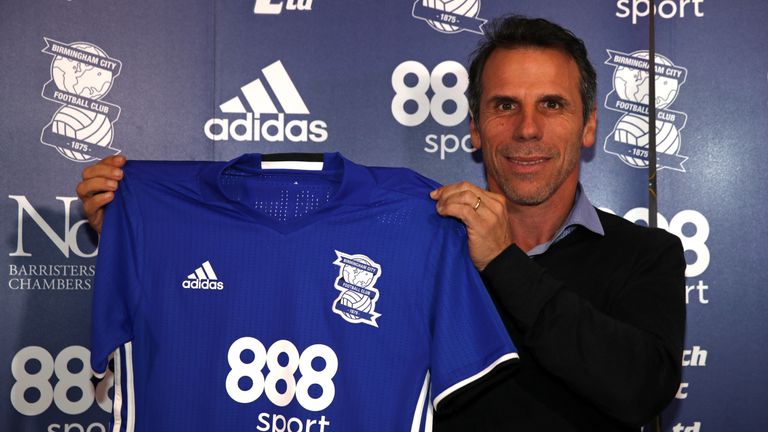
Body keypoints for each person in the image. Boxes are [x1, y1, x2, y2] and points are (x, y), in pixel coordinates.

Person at [77, 15, 685, 431]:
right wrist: (148, 245)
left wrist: (503, 263)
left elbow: (640, 388)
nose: (527, 129)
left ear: (588, 126)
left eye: (552, 105)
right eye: (505, 106)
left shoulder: (647, 254)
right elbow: (272, 288)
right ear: (474, 128)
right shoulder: (419, 237)